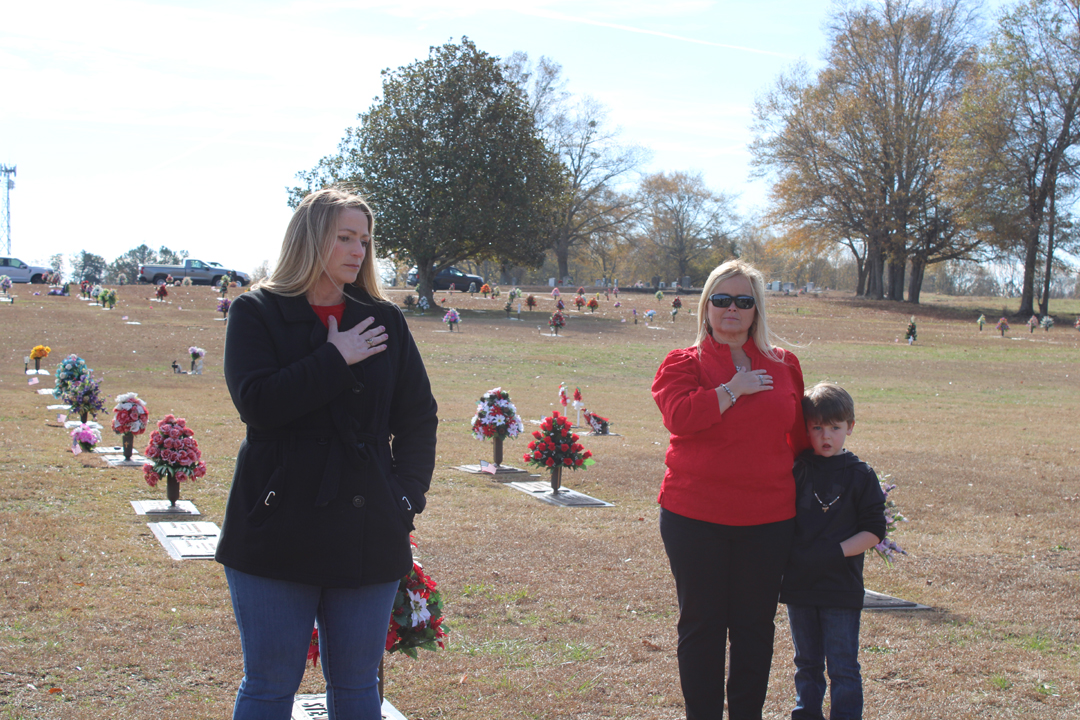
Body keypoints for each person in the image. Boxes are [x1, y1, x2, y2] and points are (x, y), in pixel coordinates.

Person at [215, 188, 438, 719]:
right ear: (310, 238)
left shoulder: (383, 318)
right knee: (270, 685)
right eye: (344, 237)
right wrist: (334, 357)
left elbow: (417, 417)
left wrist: (404, 497)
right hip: (274, 523)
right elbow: (259, 405)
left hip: (368, 526)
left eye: (364, 239)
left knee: (359, 687)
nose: (358, 250)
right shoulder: (256, 312)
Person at [652, 259, 808, 720]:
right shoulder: (684, 362)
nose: (732, 309)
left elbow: (799, 437)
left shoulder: (784, 364)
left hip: (769, 519)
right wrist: (732, 389)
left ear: (757, 309)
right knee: (702, 626)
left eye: (744, 300)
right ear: (706, 307)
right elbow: (679, 417)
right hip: (695, 517)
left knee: (754, 628)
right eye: (722, 300)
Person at [780, 382, 886, 720]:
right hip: (800, 585)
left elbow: (874, 531)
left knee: (842, 666)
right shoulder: (797, 470)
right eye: (817, 428)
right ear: (806, 429)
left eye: (835, 428)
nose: (826, 436)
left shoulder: (861, 475)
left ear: (850, 428)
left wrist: (834, 552)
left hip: (841, 585)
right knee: (807, 662)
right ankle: (806, 713)